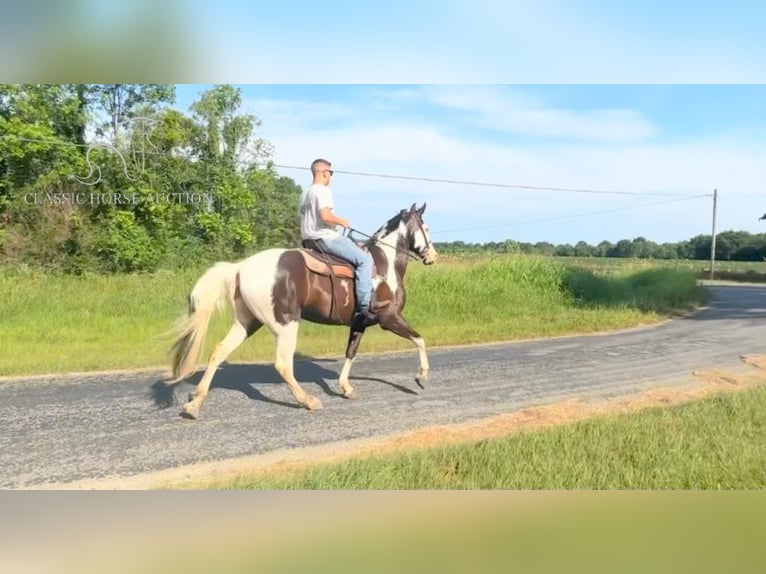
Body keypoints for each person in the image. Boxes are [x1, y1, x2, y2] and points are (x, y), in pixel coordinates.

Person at [298, 158, 376, 322]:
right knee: (363, 260)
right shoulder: (322, 190)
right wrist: (341, 221)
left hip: (308, 240)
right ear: (324, 173)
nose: (331, 176)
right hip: (326, 238)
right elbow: (325, 216)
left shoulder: (304, 194)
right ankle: (364, 309)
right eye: (331, 173)